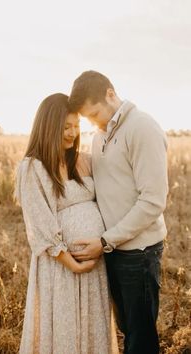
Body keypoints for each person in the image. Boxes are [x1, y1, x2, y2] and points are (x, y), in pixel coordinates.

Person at [68, 70, 169, 354]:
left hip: (138, 252)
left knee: (140, 336)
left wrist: (104, 241)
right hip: (112, 249)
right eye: (87, 118)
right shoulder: (99, 135)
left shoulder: (142, 128)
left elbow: (153, 201)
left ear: (110, 93)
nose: (92, 121)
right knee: (128, 328)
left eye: (95, 113)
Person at [15, 93, 119, 354]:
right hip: (60, 268)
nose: (73, 133)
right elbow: (39, 223)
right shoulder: (32, 167)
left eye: (77, 126)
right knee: (64, 331)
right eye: (66, 127)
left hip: (95, 263)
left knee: (93, 329)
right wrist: (71, 262)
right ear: (49, 126)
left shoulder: (83, 160)